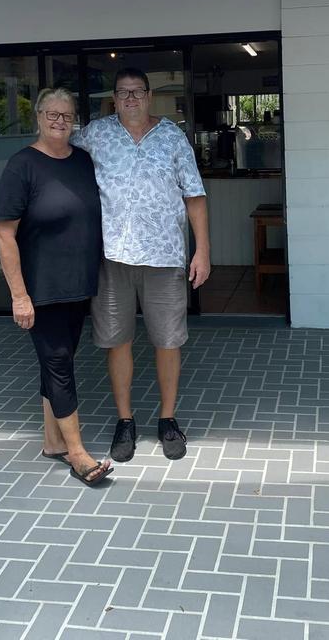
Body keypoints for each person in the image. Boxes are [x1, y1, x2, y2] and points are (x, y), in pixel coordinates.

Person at [72, 67, 210, 462]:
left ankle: (167, 419)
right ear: (113, 98)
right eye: (123, 93)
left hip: (165, 256)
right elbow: (59, 148)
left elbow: (195, 196)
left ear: (150, 96)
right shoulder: (96, 134)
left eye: (137, 92)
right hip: (112, 256)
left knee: (167, 340)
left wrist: (202, 251)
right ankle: (125, 420)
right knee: (118, 341)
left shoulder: (171, 136)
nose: (130, 99)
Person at [0, 87, 112, 487]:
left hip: (77, 286)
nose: (60, 122)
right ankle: (77, 453)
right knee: (59, 362)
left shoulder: (81, 161)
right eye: (52, 114)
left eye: (67, 115)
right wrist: (19, 295)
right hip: (41, 288)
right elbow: (4, 235)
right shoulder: (22, 165)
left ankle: (51, 442)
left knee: (58, 361)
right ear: (39, 117)